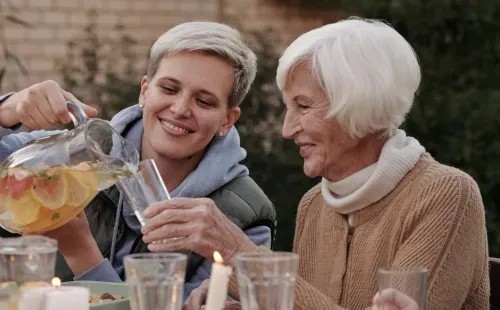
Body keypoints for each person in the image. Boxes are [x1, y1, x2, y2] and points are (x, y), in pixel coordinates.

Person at [143, 18, 487, 309]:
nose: (287, 129)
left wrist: (238, 253)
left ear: (359, 107)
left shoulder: (445, 195)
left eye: (304, 107)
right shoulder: (315, 204)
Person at [0, 22, 276, 299]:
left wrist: (81, 252)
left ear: (227, 120)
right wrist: (8, 109)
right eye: (169, 89)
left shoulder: (246, 221)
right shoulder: (82, 151)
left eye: (203, 101)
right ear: (145, 90)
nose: (180, 109)